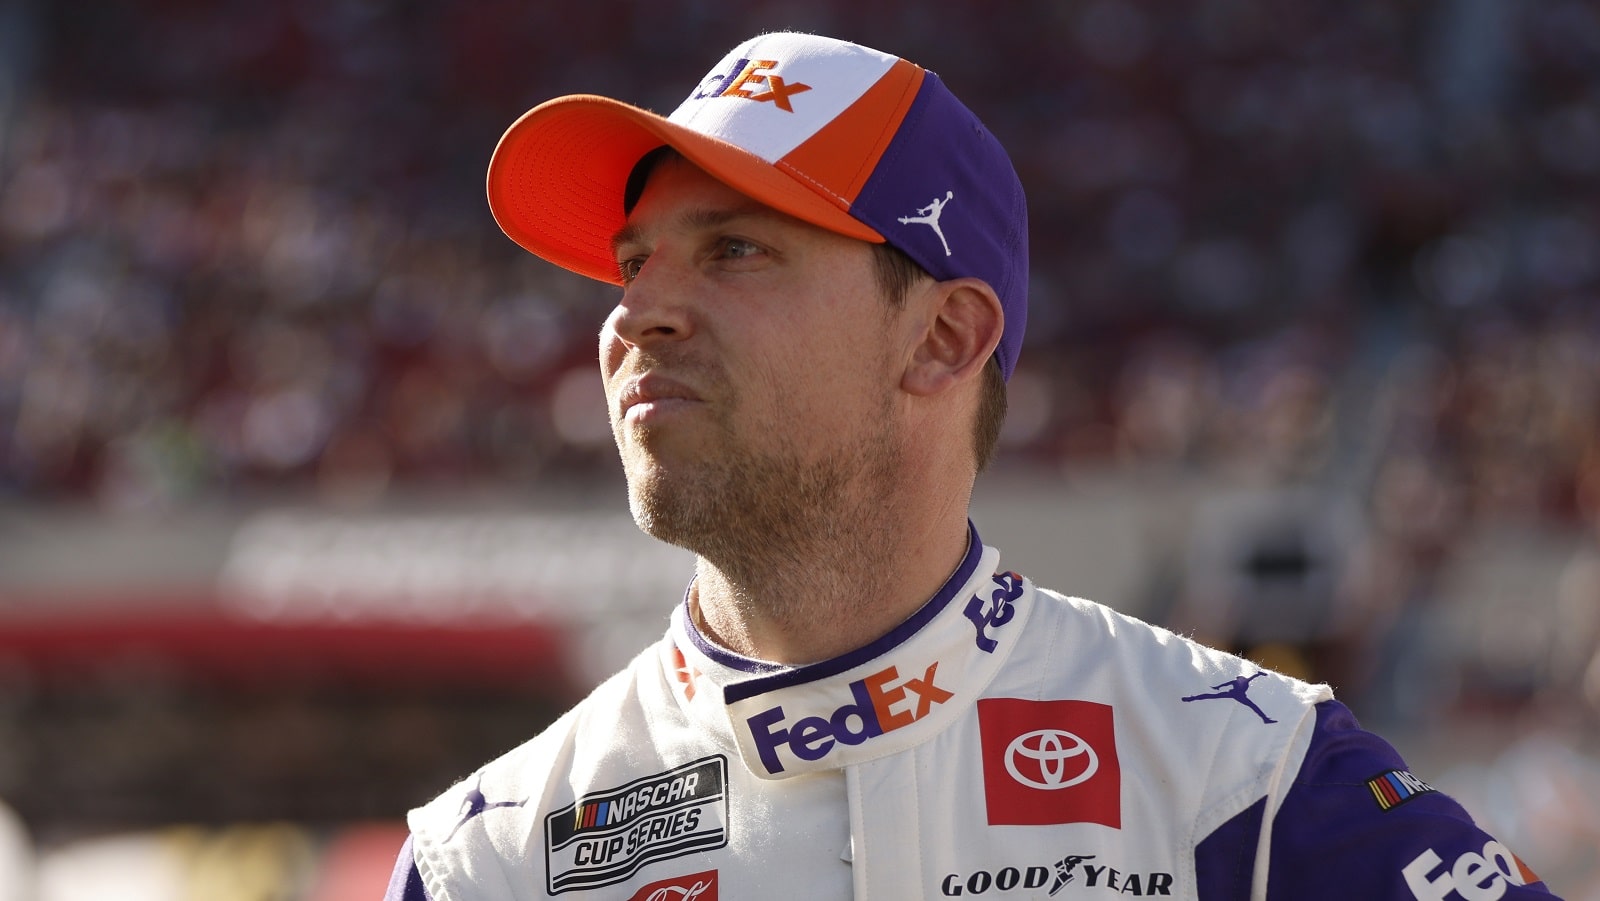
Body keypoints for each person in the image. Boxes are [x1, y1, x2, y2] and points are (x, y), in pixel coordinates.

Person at [384, 31, 1561, 900]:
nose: (638, 315)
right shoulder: (490, 855)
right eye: (632, 264)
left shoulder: (1236, 772)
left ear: (943, 337)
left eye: (734, 250)